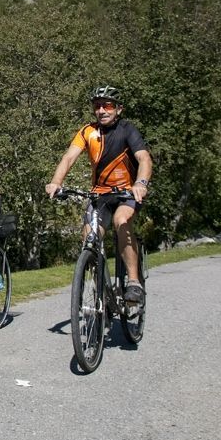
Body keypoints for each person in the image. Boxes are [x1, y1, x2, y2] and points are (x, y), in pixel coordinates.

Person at [45, 86, 153, 304]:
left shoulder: (127, 130)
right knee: (89, 237)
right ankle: (100, 287)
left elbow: (144, 159)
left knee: (121, 220)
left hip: (126, 193)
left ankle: (133, 283)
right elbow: (68, 158)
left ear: (118, 109)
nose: (102, 110)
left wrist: (140, 183)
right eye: (97, 106)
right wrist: (56, 182)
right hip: (99, 196)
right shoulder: (88, 132)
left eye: (108, 105)